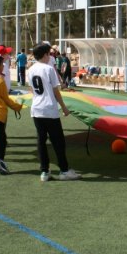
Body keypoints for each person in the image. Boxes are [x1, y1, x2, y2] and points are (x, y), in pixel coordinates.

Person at [28, 42, 81, 182]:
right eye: (49, 54)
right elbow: (55, 90)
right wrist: (63, 107)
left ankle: (44, 171)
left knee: (41, 140)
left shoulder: (31, 69)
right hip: (49, 109)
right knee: (58, 141)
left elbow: (32, 90)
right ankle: (64, 170)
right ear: (45, 55)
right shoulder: (48, 69)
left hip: (36, 109)